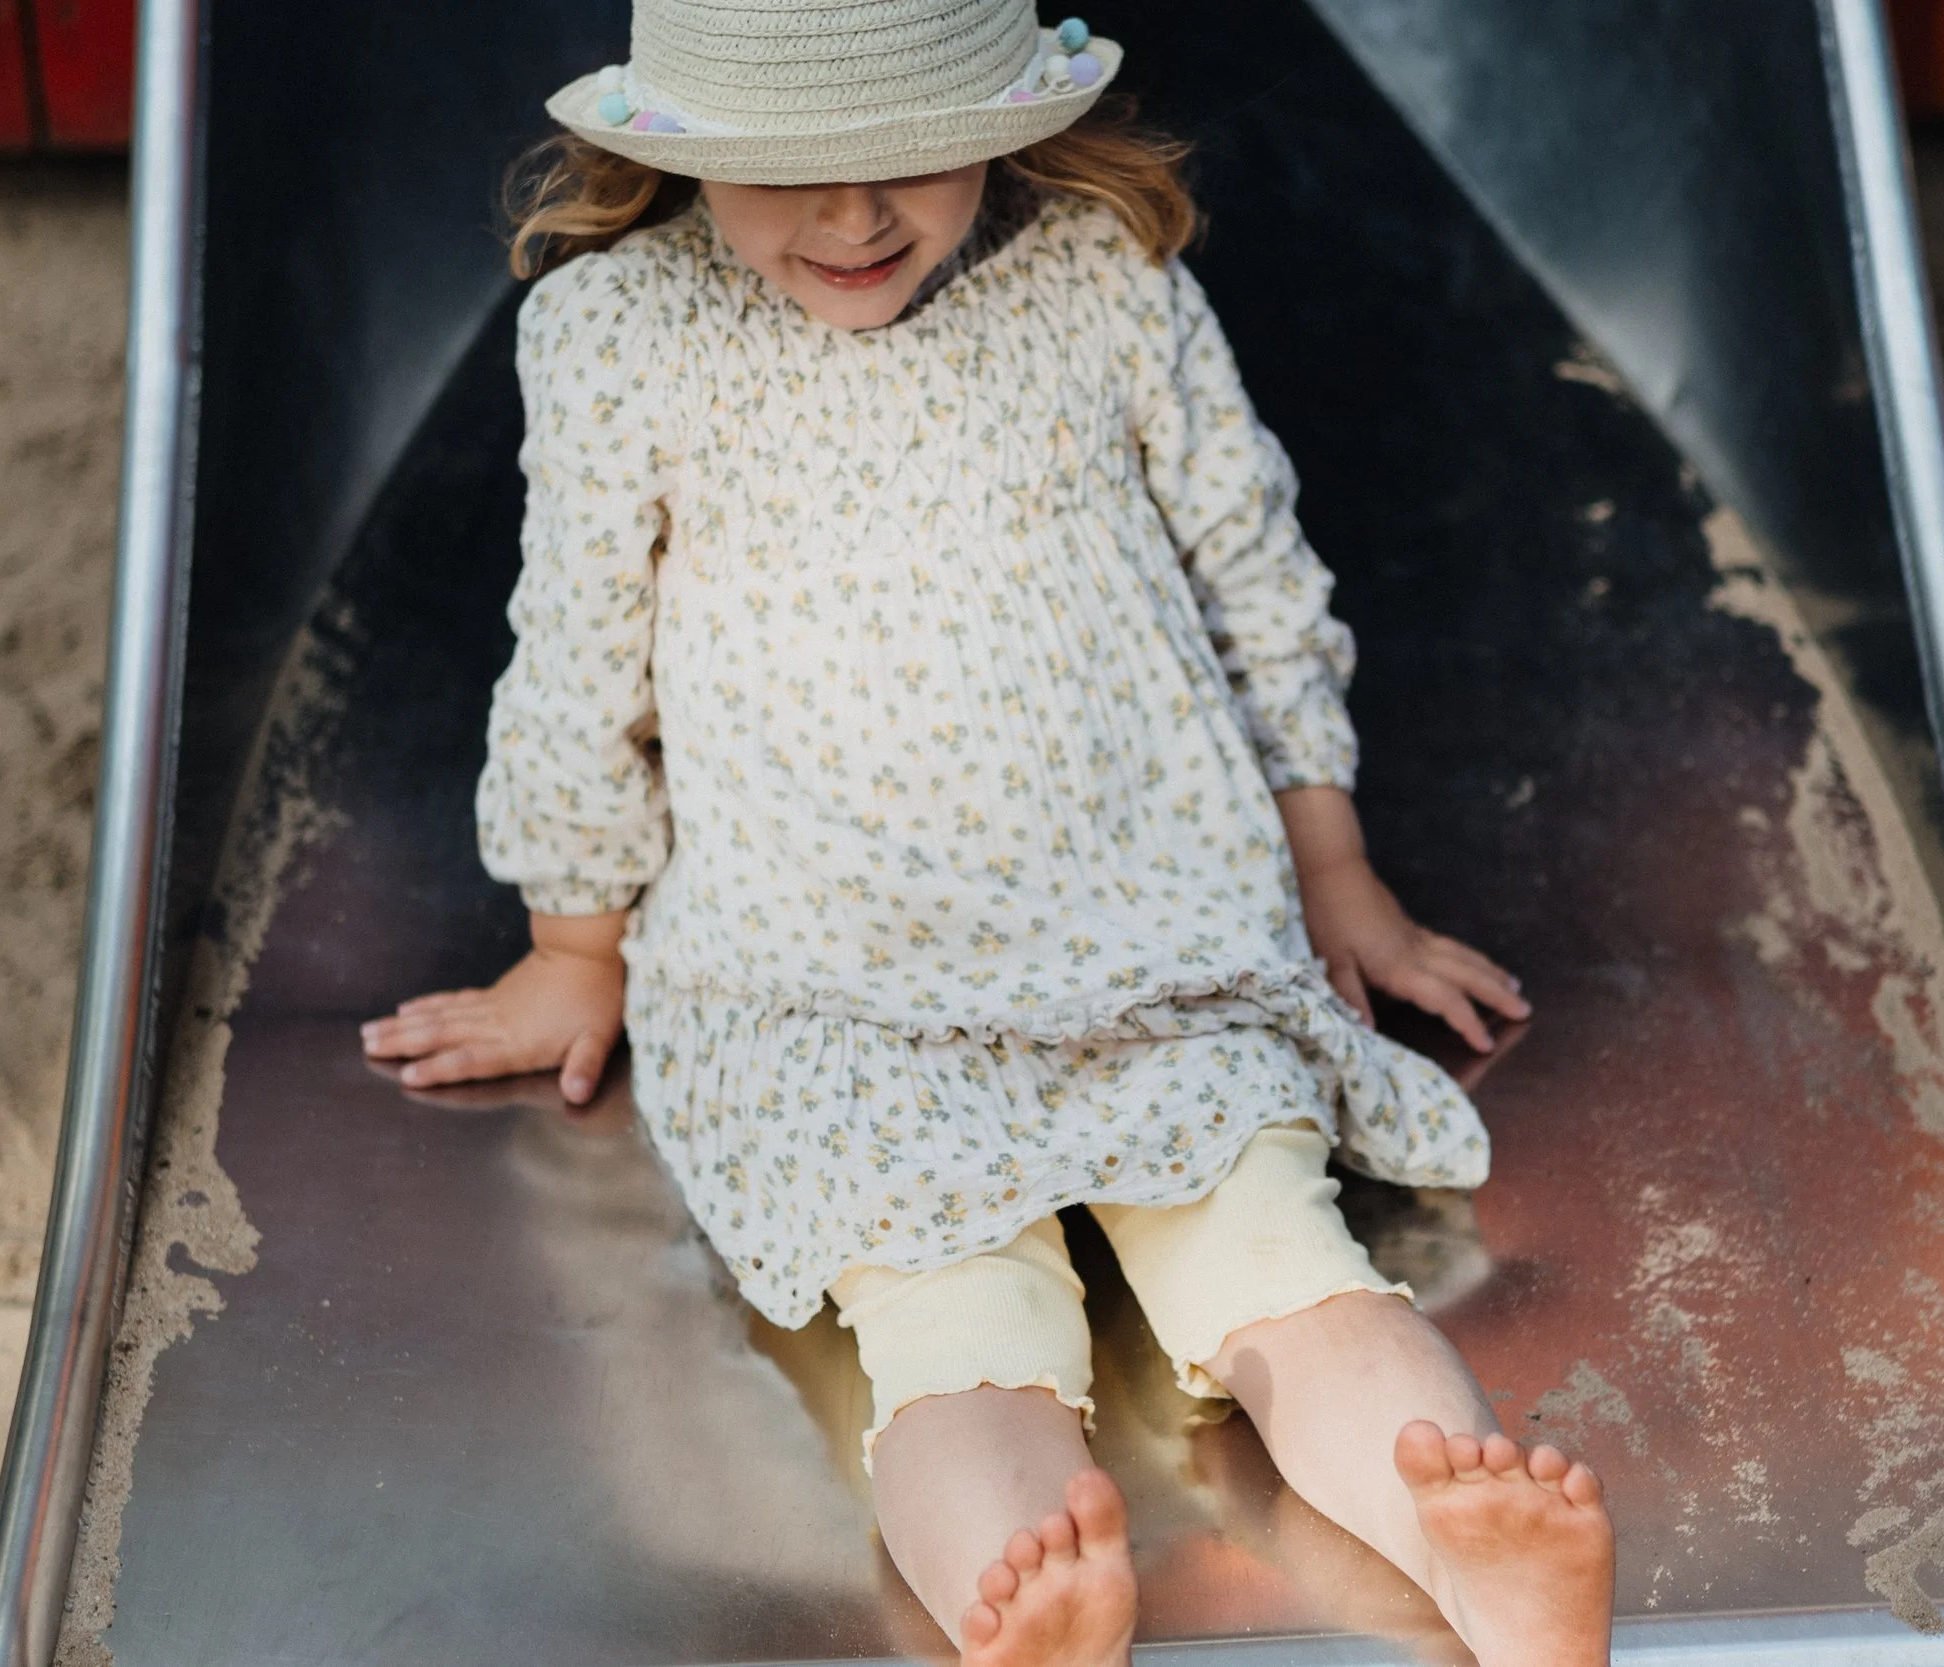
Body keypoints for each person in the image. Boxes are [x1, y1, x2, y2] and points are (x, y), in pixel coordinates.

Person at [361, 3, 1614, 1661]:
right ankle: (1026, 1606)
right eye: (790, 170)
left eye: (912, 152)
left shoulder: (1097, 272)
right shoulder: (621, 331)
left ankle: (1478, 1560)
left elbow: (1253, 574)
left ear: (1003, 116)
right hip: (833, 980)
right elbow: (580, 654)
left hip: (1151, 929)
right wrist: (572, 944)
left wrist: (1335, 869)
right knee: (956, 1334)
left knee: (1287, 1273)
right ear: (685, 148)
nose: (853, 215)